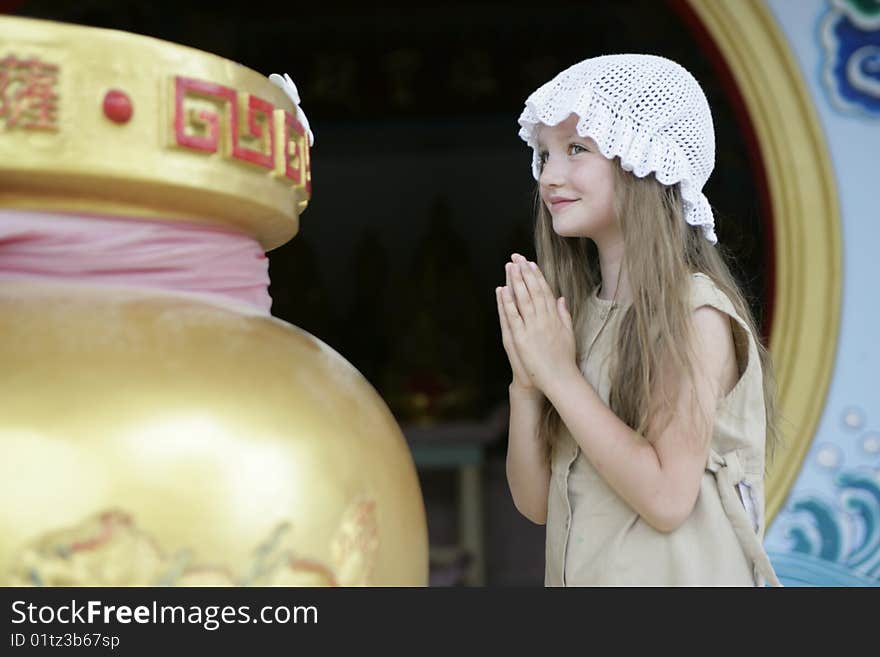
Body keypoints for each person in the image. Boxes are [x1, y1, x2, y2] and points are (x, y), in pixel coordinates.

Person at [496, 54, 782, 586]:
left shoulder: (697, 315)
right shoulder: (578, 320)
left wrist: (560, 376)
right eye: (544, 154)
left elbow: (668, 498)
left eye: (577, 149)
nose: (550, 176)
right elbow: (535, 502)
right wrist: (527, 382)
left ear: (644, 160)